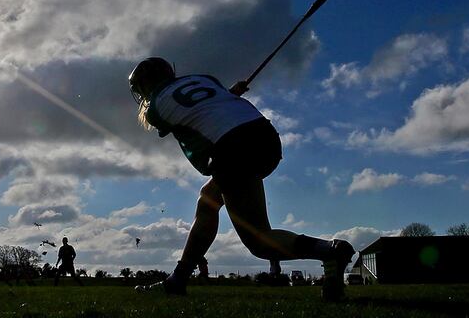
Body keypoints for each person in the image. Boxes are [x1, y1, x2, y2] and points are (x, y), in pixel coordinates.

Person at [128, 57, 354, 300]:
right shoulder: (205, 78)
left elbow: (179, 119)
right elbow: (209, 103)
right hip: (264, 136)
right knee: (208, 200)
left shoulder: (155, 111)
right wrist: (231, 93)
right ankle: (178, 278)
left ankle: (330, 251)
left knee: (258, 240)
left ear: (144, 86)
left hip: (231, 149)